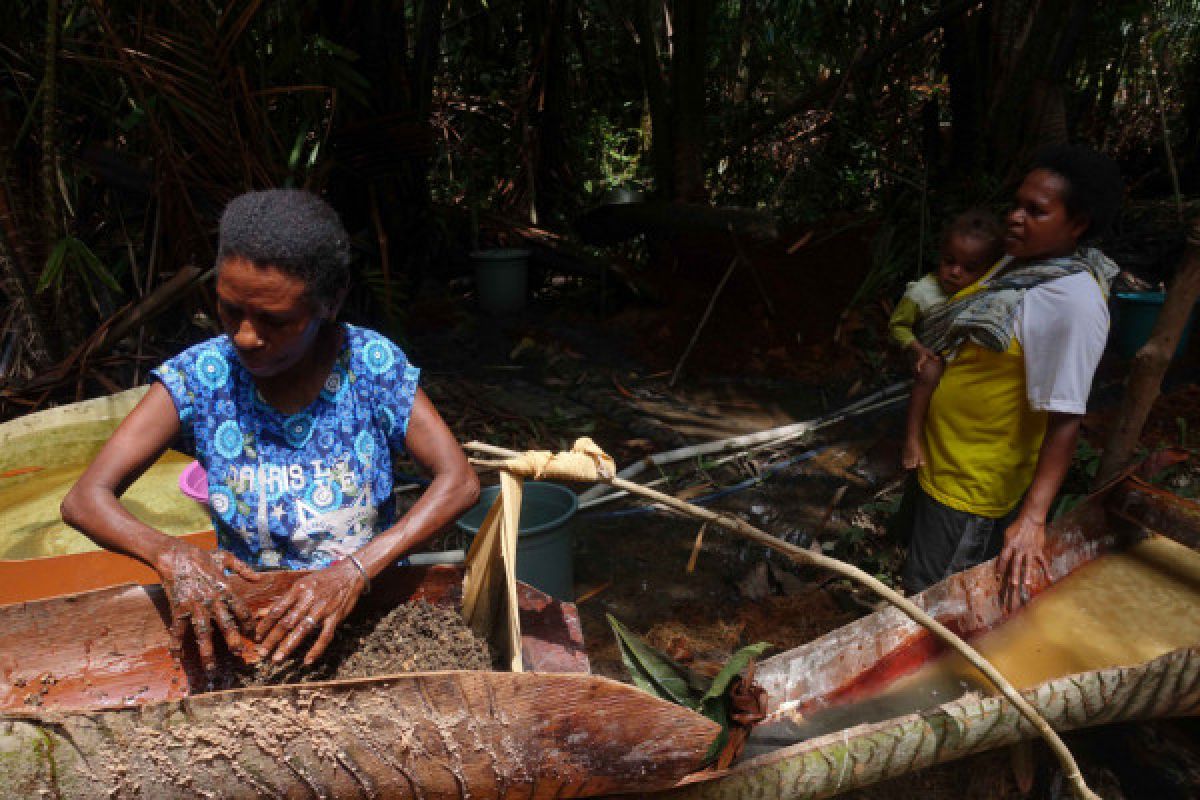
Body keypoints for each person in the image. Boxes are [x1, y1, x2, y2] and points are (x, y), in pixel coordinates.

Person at [61, 189, 480, 672]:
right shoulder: (202, 377)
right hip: (250, 630)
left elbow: (459, 482)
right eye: (229, 310)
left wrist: (352, 573)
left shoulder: (369, 365)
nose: (245, 336)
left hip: (371, 621)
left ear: (331, 300)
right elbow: (85, 499)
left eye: (274, 321)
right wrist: (170, 555)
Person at [900, 145, 1122, 604]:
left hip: (972, 486)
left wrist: (1033, 519)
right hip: (941, 463)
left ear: (1077, 223)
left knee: (935, 606)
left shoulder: (1072, 304)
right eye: (1017, 205)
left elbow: (1065, 416)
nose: (1016, 218)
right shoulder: (1017, 262)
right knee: (923, 583)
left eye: (1036, 210)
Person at [889, 210, 1005, 470]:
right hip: (928, 353)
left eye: (969, 268)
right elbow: (898, 326)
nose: (955, 272)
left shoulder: (984, 294)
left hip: (962, 356)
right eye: (949, 261)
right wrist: (918, 349)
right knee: (930, 372)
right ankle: (912, 438)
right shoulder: (922, 293)